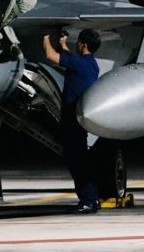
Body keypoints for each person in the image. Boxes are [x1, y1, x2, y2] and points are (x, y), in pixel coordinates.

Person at [43, 27, 101, 214]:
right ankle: (91, 198)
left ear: (83, 44)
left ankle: (88, 200)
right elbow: (69, 59)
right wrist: (62, 44)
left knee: (76, 161)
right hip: (78, 120)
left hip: (73, 121)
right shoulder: (90, 64)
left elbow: (51, 56)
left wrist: (45, 36)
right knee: (80, 158)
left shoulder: (79, 63)